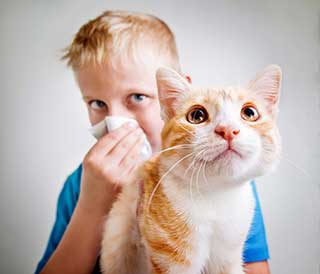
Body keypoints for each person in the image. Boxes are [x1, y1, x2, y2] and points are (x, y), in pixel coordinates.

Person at [35, 10, 271, 274]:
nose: (115, 121)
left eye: (137, 97)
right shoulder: (81, 184)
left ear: (172, 100)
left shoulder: (222, 172)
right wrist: (91, 205)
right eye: (97, 103)